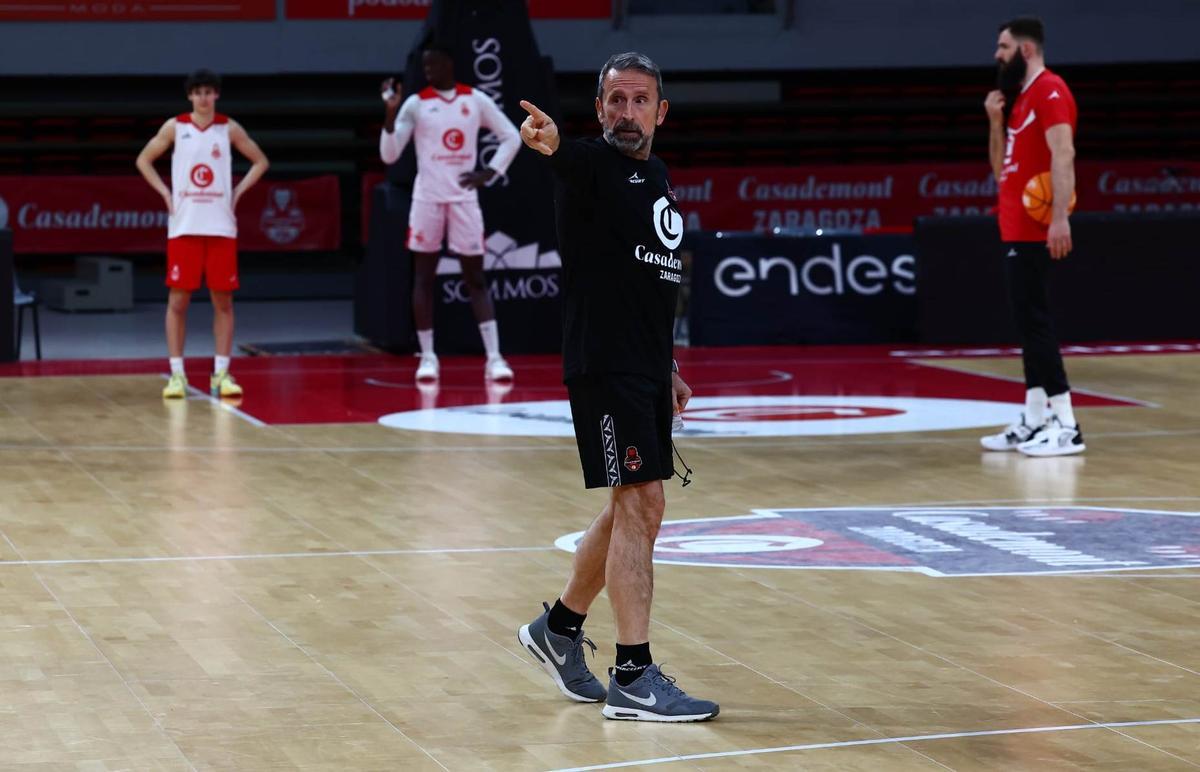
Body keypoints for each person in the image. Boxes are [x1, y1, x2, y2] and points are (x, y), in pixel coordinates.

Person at [516, 52, 718, 722]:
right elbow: (564, 157)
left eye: (639, 101)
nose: (626, 112)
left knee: (640, 507)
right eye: (615, 100)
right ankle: (633, 675)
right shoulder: (591, 166)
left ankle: (561, 629)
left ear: (660, 113)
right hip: (603, 364)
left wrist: (665, 367)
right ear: (598, 108)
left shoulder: (653, 176)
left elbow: (646, 285)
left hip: (641, 366)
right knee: (640, 501)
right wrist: (548, 144)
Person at [379, 42, 521, 382]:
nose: (429, 71)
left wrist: (490, 172)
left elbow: (511, 136)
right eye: (425, 66)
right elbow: (389, 154)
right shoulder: (416, 104)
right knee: (423, 278)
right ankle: (427, 357)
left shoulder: (474, 99)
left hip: (463, 200)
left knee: (476, 278)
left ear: (449, 63)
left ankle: (494, 358)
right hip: (427, 199)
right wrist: (389, 112)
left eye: (434, 64)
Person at [980, 17, 1084, 457]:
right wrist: (994, 121)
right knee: (1026, 324)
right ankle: (1034, 418)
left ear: (1025, 50)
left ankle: (1067, 424)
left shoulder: (1051, 90)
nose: (996, 55)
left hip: (1037, 229)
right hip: (1014, 226)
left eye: (1002, 47)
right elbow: (1000, 172)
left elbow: (1065, 152)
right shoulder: (1020, 101)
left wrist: (1059, 217)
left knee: (1036, 323)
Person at [136, 69, 269, 400]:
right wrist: (166, 195)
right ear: (190, 96)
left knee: (222, 301)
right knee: (178, 300)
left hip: (220, 226)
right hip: (184, 225)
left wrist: (236, 193)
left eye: (209, 92)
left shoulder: (229, 128)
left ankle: (221, 373)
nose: (204, 98)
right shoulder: (175, 126)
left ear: (217, 95)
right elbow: (144, 160)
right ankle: (177, 375)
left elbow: (260, 161)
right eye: (198, 92)